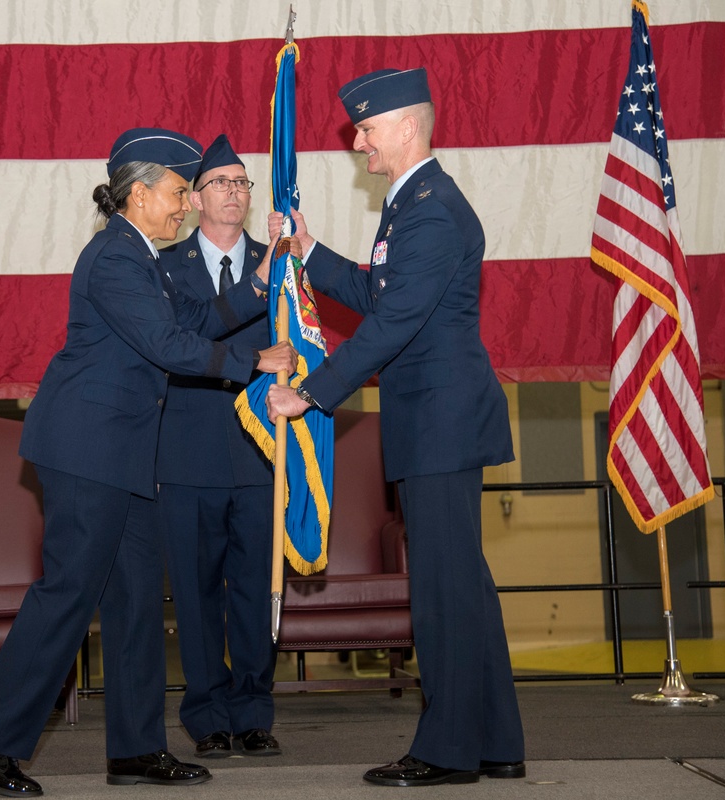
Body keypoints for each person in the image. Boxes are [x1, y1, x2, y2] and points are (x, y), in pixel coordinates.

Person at [0, 127, 297, 797]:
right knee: (68, 595)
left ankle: (136, 749)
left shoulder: (141, 257)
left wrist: (258, 284)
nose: (188, 205)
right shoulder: (114, 258)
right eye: (177, 192)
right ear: (138, 194)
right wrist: (254, 362)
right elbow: (170, 343)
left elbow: (196, 314)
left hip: (129, 456)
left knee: (136, 602)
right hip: (87, 451)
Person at [266, 68, 526, 787]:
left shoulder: (433, 210)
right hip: (432, 424)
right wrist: (307, 250)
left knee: (443, 592)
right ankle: (497, 740)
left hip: (440, 424)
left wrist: (311, 394)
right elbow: (377, 291)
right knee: (462, 587)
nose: (358, 142)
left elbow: (391, 326)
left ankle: (446, 752)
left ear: (406, 127)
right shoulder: (412, 204)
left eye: (367, 129)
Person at [156, 134, 280, 759]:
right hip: (188, 453)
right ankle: (208, 717)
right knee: (198, 593)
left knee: (255, 587)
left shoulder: (281, 261)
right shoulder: (164, 268)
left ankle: (255, 710)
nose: (234, 192)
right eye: (221, 183)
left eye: (242, 183)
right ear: (197, 198)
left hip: (261, 451)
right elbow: (183, 337)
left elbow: (304, 339)